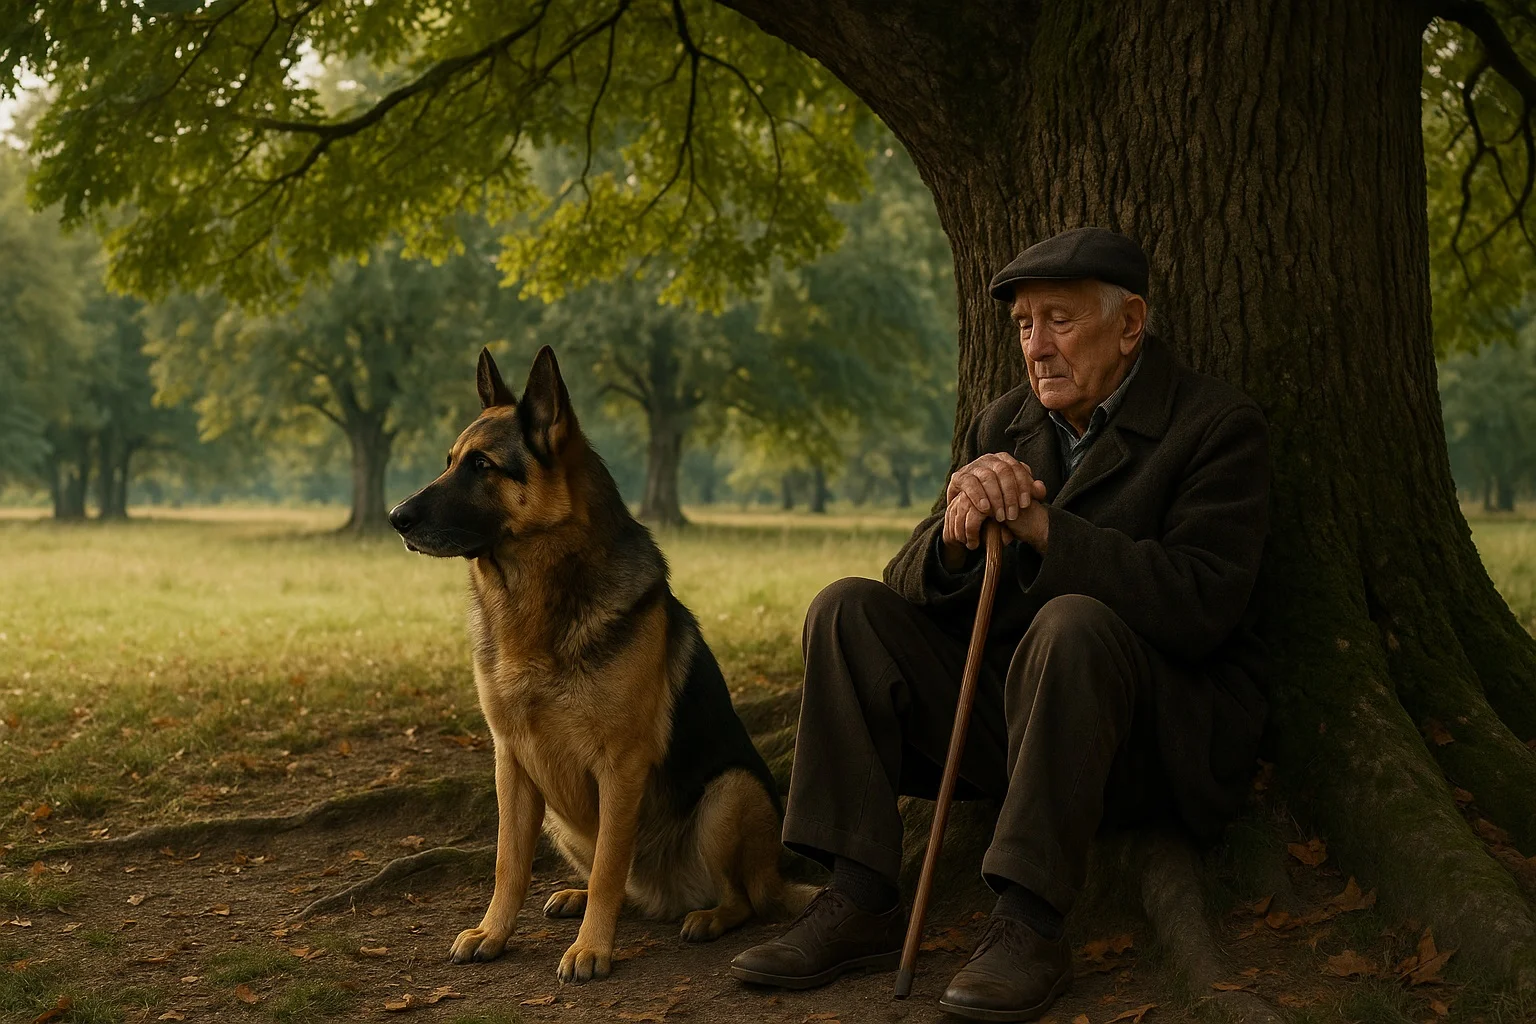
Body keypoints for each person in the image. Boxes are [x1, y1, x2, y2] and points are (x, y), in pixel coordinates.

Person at [729, 227, 1271, 1022]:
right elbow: (906, 583)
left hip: (1147, 739)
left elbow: (1201, 605)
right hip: (1018, 730)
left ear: (1129, 326)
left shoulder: (1215, 427)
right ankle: (859, 894)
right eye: (1023, 326)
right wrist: (953, 534)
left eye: (1059, 320)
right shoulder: (1003, 425)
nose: (1037, 347)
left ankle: (1030, 922)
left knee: (1072, 622)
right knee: (846, 609)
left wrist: (1052, 533)